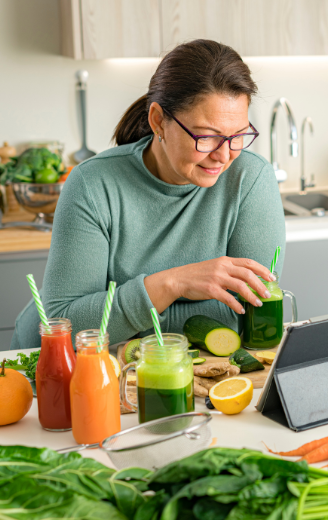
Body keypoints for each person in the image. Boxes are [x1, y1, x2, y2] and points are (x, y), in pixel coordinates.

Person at [12, 39, 285, 349]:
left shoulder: (251, 179)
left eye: (237, 136)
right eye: (207, 137)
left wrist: (129, 310)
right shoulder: (93, 184)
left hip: (189, 369)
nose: (223, 156)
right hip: (71, 370)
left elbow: (252, 314)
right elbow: (67, 324)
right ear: (158, 120)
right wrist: (174, 283)